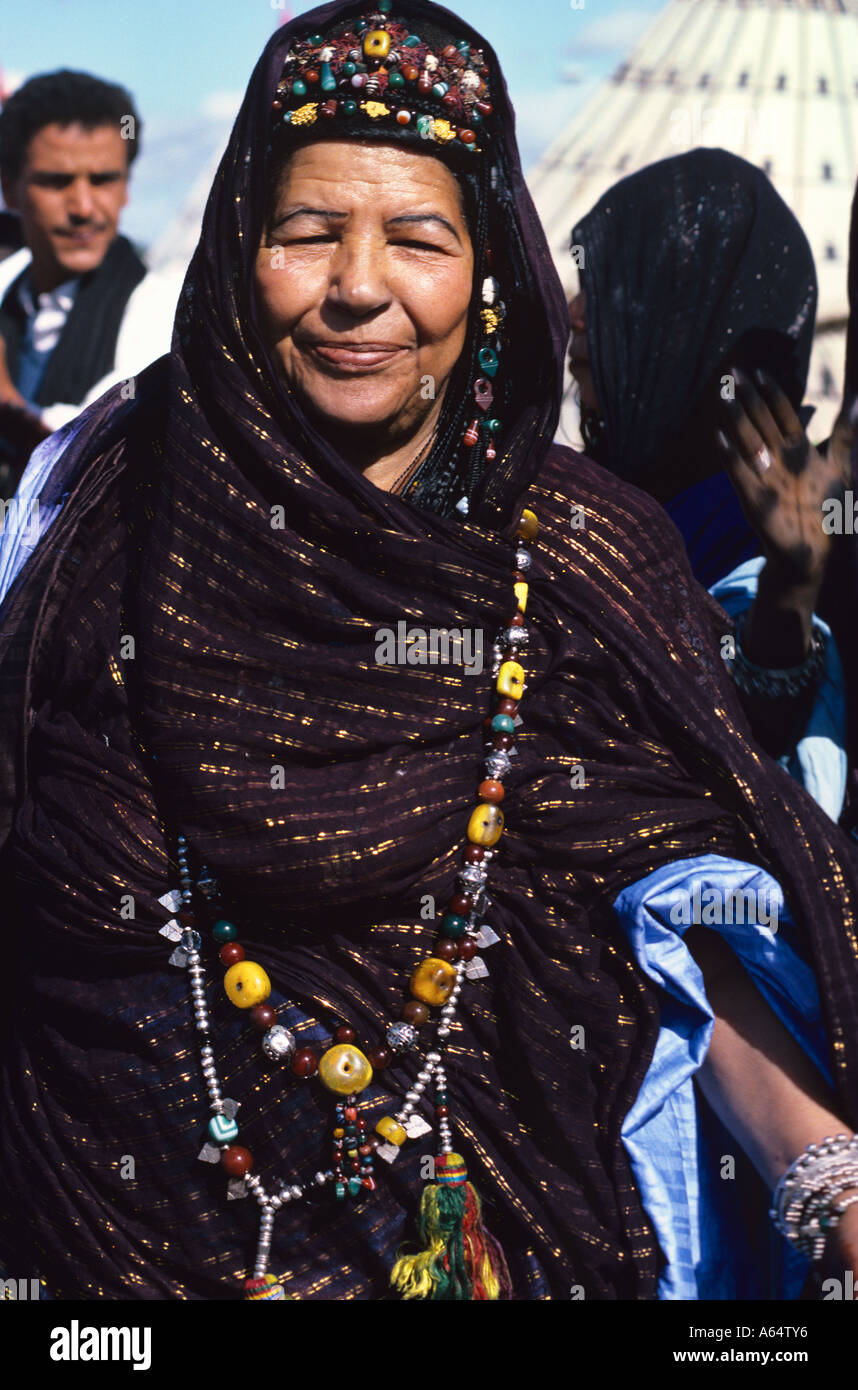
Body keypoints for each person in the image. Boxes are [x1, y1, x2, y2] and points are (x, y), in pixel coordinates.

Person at [0, 0, 857, 1303]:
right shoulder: (102, 513)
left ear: (487, 271)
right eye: (305, 233)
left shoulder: (577, 558)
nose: (358, 286)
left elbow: (676, 899)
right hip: (120, 1247)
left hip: (493, 1238)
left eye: (416, 237)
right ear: (240, 251)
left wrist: (825, 1176)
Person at [568, 150, 854, 824]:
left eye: (610, 284)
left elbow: (746, 752)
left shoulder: (753, 526)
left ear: (684, 322)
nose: (576, 314)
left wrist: (791, 586)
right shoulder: (576, 499)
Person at [0, 70, 182, 500]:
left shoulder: (164, 311)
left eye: (103, 180)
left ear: (126, 189)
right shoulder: (7, 286)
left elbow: (107, 457)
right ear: (9, 189)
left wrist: (6, 401)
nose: (83, 207)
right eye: (56, 182)